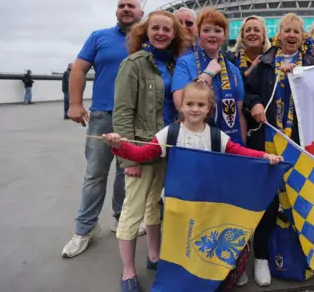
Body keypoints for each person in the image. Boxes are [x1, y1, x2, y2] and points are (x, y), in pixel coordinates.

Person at [103, 81, 283, 291]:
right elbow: (141, 155)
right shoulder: (169, 134)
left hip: (207, 204)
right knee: (180, 245)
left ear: (208, 108)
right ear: (181, 106)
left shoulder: (216, 136)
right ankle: (180, 279)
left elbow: (239, 152)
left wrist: (264, 156)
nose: (194, 109)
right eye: (189, 104)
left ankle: (207, 279)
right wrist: (119, 145)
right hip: (177, 205)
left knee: (203, 245)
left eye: (200, 104)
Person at [62, 0, 145, 259]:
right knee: (95, 174)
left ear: (141, 12)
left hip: (135, 118)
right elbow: (79, 69)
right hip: (102, 115)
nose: (126, 9)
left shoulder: (148, 38)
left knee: (126, 173)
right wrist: (75, 103)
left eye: (131, 6)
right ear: (116, 12)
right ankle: (84, 229)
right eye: (122, 6)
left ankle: (120, 218)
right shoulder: (99, 37)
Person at [110, 10, 186, 292]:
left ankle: (154, 256)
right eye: (156, 28)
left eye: (167, 29)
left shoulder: (174, 65)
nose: (161, 33)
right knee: (133, 209)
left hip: (166, 146)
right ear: (146, 30)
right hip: (141, 147)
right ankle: (128, 272)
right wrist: (128, 155)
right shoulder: (134, 63)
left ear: (174, 33)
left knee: (155, 205)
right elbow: (122, 112)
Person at [244, 13, 314, 287]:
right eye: (287, 30)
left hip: (299, 145)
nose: (291, 35)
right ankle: (261, 256)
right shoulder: (264, 63)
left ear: (302, 36)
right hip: (268, 142)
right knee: (268, 201)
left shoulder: (311, 65)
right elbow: (247, 93)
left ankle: (299, 252)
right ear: (279, 34)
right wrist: (255, 105)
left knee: (298, 200)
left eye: (296, 31)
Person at [171, 7, 247, 146]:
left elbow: (239, 114)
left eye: (217, 31)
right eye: (206, 30)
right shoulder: (185, 63)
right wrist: (208, 74)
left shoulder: (234, 70)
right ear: (199, 34)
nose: (212, 35)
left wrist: (241, 147)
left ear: (224, 36)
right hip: (194, 141)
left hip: (228, 143)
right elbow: (179, 103)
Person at [226, 15, 271, 79]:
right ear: (242, 37)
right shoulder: (230, 59)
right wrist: (249, 72)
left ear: (263, 37)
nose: (252, 33)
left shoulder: (273, 59)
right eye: (248, 30)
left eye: (257, 30)